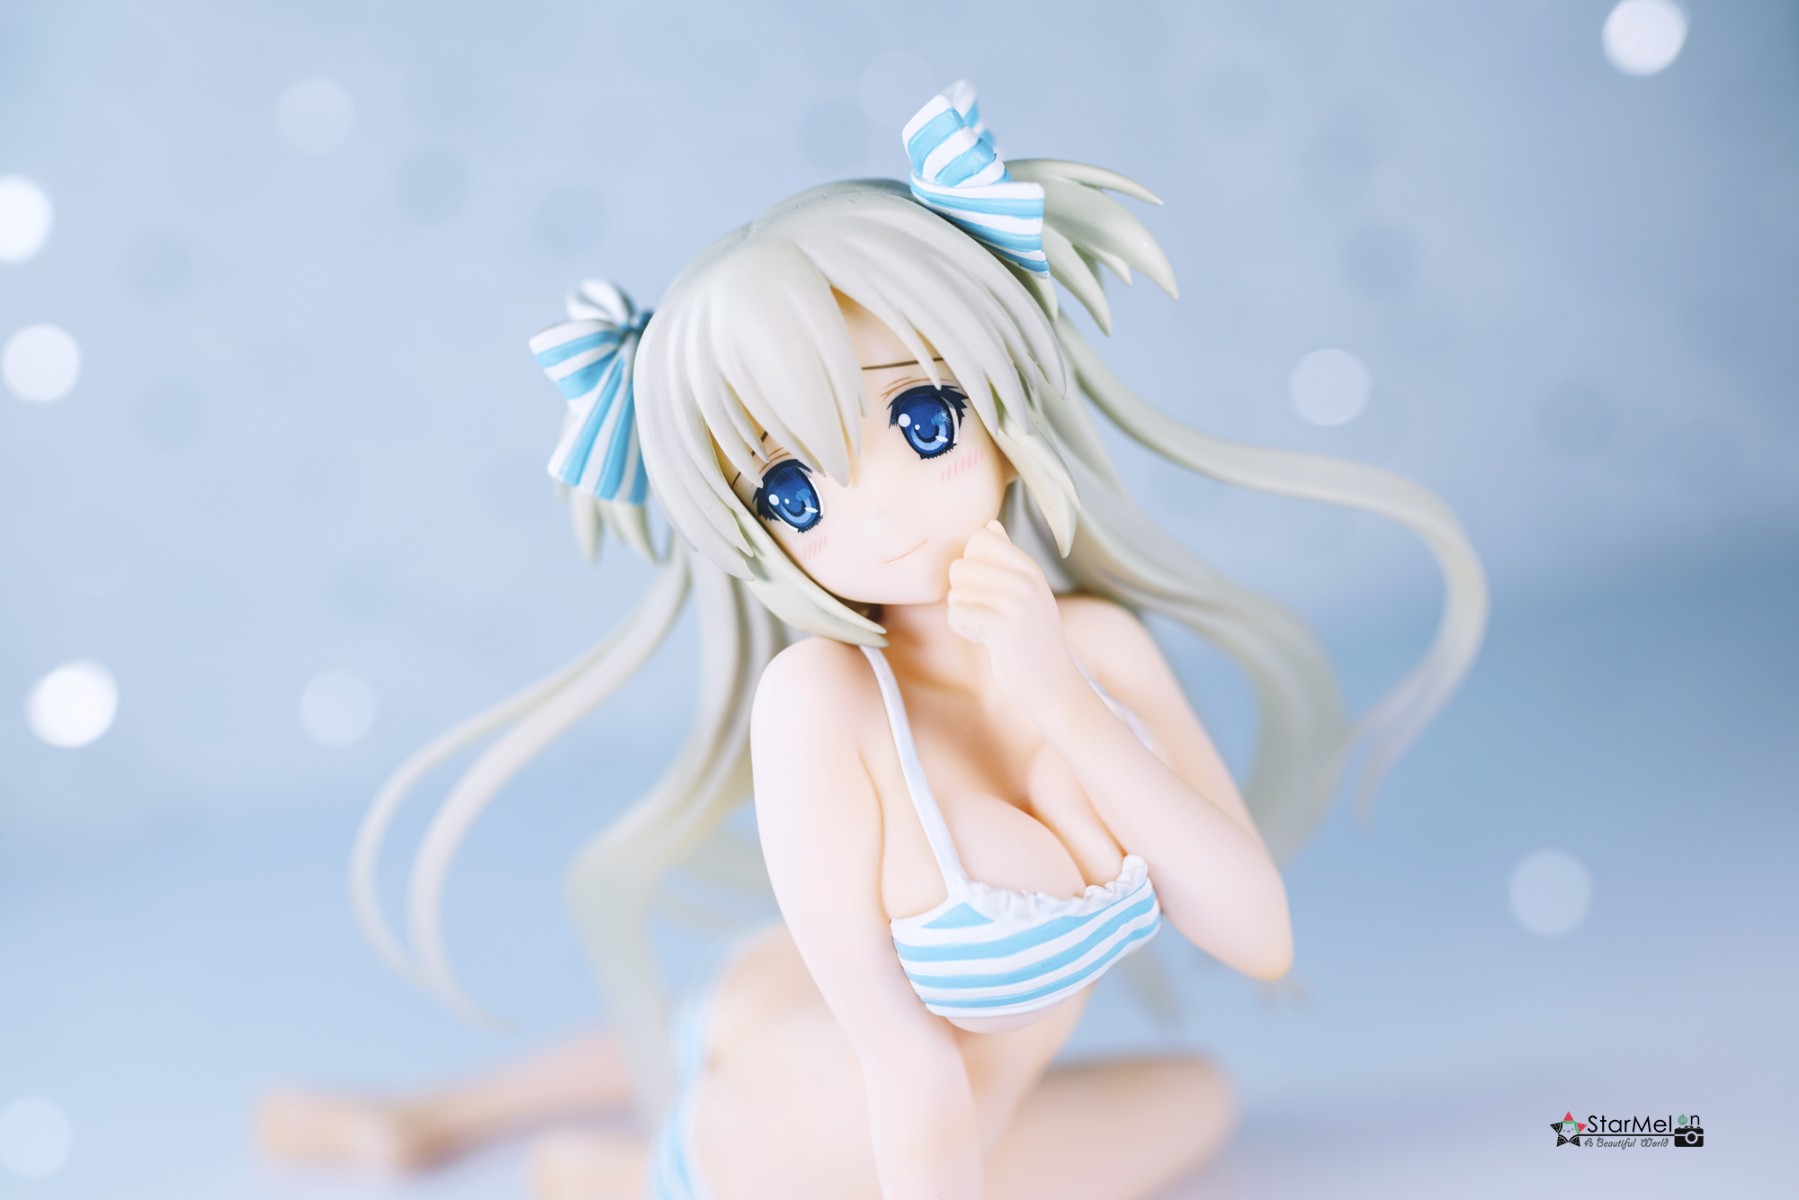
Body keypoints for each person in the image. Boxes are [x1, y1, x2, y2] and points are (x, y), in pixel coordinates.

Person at [258, 81, 1488, 1198]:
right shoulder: (823, 698)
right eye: (791, 490)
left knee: (1198, 1100)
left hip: (894, 1063)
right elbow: (903, 1063)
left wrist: (1062, 703)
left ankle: (506, 1138)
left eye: (921, 418)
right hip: (832, 1143)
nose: (880, 512)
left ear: (997, 397)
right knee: (789, 1031)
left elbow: (1255, 934)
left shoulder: (1096, 647)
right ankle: (613, 1167)